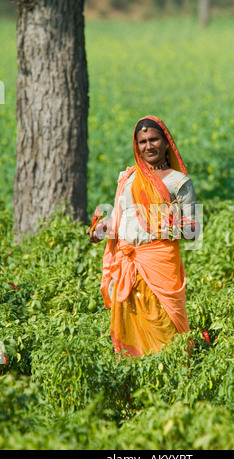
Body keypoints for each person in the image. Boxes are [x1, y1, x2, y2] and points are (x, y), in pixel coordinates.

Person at [88, 116, 199, 358]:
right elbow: (119, 219)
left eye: (154, 139)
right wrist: (101, 230)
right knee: (131, 334)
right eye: (142, 141)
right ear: (136, 145)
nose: (148, 146)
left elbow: (192, 231)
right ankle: (137, 387)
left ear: (166, 142)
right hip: (128, 267)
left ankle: (174, 387)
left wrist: (160, 224)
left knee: (166, 329)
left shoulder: (178, 182)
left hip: (160, 266)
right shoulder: (129, 178)